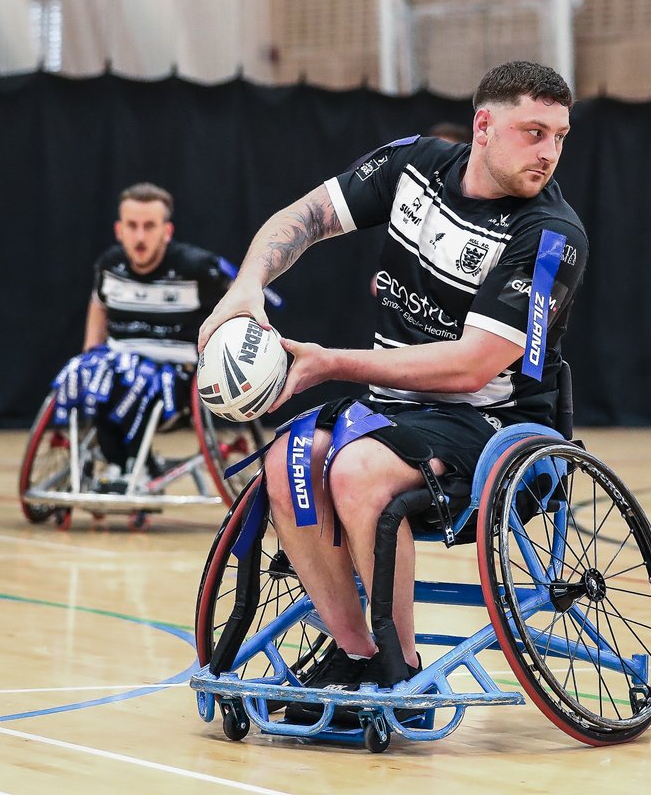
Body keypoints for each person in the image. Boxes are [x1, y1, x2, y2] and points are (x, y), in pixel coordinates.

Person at [198, 60, 587, 708]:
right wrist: (246, 289)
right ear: (484, 126)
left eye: (560, 136)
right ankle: (355, 651)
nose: (549, 152)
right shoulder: (414, 166)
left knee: (355, 472)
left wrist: (330, 362)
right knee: (286, 460)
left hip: (492, 426)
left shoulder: (550, 236)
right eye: (534, 132)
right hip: (391, 412)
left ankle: (397, 665)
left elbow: (471, 366)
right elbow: (305, 217)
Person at [77, 183, 227, 488]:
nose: (140, 237)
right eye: (132, 226)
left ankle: (134, 467)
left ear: (167, 231)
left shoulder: (196, 267)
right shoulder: (110, 265)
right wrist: (90, 351)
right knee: (93, 374)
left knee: (138, 379)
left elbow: (240, 299)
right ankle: (120, 464)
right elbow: (98, 304)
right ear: (119, 230)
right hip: (118, 364)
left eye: (149, 226)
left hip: (175, 374)